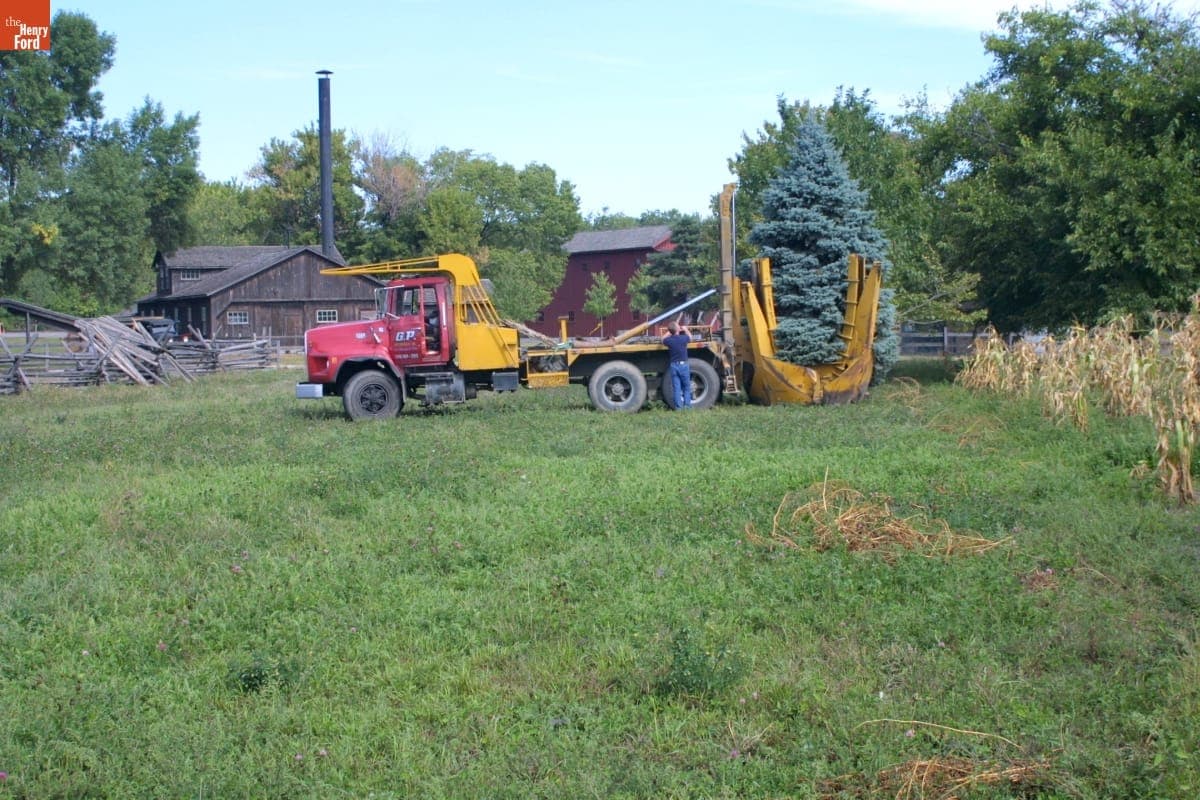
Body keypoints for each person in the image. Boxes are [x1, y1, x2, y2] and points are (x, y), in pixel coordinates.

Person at [662, 320, 692, 409]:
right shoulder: (683, 338)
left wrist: (669, 332)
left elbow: (662, 339)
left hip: (674, 366)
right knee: (686, 387)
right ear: (678, 329)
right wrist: (686, 330)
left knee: (677, 388)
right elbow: (690, 338)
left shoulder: (669, 340)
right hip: (683, 365)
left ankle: (678, 408)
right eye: (678, 326)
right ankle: (687, 406)